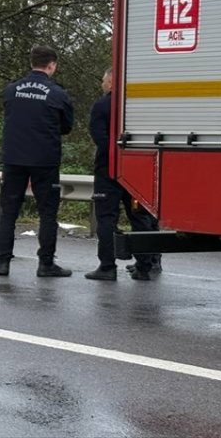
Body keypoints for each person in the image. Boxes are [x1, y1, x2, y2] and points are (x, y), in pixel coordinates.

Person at [0, 46, 76, 278]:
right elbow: (67, 126)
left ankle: (2, 262)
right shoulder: (57, 94)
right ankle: (46, 264)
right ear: (52, 65)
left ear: (32, 63)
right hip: (44, 160)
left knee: (9, 212)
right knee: (47, 213)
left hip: (14, 159)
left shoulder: (11, 90)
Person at [85, 68, 163, 281]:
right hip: (137, 170)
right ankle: (145, 266)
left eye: (103, 80)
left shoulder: (101, 106)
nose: (102, 84)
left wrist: (114, 156)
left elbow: (99, 138)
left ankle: (107, 266)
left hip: (108, 170)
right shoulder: (138, 105)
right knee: (140, 218)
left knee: (106, 218)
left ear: (111, 82)